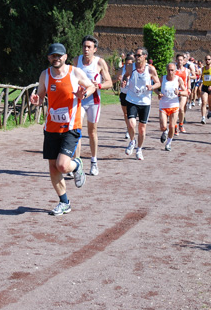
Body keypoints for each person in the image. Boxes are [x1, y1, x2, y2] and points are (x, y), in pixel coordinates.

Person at [30, 43, 96, 216]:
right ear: (49, 58)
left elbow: (91, 86)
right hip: (51, 127)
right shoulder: (45, 75)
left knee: (62, 165)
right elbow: (41, 95)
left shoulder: (75, 72)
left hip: (71, 126)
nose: (56, 58)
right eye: (53, 56)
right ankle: (64, 202)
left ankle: (76, 165)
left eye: (59, 55)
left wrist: (85, 93)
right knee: (53, 168)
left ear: (65, 57)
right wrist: (36, 100)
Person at [73, 35, 113, 176]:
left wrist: (100, 85)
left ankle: (94, 161)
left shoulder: (100, 62)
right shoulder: (76, 61)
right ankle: (76, 163)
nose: (86, 49)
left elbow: (110, 82)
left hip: (93, 101)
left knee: (92, 132)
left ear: (94, 49)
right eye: (84, 46)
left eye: (89, 47)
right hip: (79, 100)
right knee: (76, 131)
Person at [122, 47, 161, 160]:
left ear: (145, 56)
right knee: (131, 123)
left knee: (142, 128)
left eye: (139, 55)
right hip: (132, 100)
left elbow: (158, 82)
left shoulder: (151, 69)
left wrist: (152, 86)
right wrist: (124, 80)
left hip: (145, 102)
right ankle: (132, 141)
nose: (136, 57)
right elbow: (126, 75)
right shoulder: (130, 67)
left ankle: (139, 149)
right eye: (135, 55)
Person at [157, 62, 186, 152]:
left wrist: (180, 93)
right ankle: (165, 132)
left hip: (174, 106)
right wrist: (158, 93)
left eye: (172, 70)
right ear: (167, 70)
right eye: (169, 70)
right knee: (163, 126)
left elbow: (186, 92)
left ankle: (168, 143)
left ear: (175, 71)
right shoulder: (162, 78)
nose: (170, 72)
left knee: (172, 126)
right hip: (163, 106)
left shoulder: (178, 79)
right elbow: (155, 87)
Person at [114, 54, 135, 140]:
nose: (127, 65)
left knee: (131, 115)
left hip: (132, 94)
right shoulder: (121, 70)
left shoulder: (135, 71)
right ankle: (128, 128)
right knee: (126, 114)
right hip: (123, 94)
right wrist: (117, 79)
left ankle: (131, 128)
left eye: (129, 64)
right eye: (126, 63)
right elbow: (113, 79)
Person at [174, 53, 191, 133]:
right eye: (178, 60)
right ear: (176, 60)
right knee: (175, 109)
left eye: (181, 60)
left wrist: (189, 88)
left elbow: (188, 80)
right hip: (174, 92)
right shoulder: (173, 70)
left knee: (181, 108)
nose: (180, 61)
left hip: (183, 91)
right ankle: (175, 126)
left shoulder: (186, 70)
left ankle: (181, 124)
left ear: (183, 61)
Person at [199, 55, 211, 124]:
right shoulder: (203, 69)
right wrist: (200, 84)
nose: (207, 61)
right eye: (206, 59)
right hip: (204, 87)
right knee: (204, 102)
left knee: (210, 104)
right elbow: (202, 77)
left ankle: (209, 111)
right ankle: (203, 118)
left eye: (209, 59)